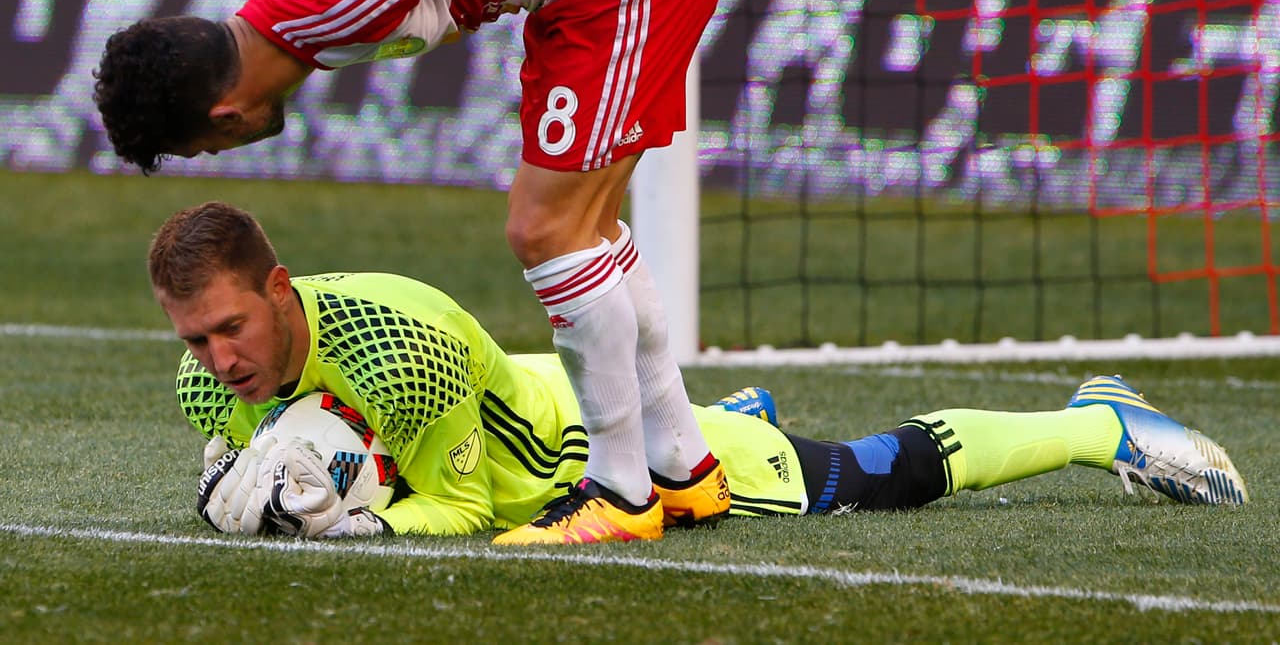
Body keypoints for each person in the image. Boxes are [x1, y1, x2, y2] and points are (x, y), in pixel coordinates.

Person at [95, 0, 735, 544]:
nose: (226, 151)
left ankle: (619, 490)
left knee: (546, 230)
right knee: (589, 228)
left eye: (207, 147)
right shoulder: (289, 1)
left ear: (223, 115)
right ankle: (680, 466)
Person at [150, 202, 1248, 543]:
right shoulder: (209, 378)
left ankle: (1095, 423)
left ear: (280, 287)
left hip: (592, 454)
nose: (217, 360)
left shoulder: (405, 337)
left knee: (869, 475)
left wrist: (364, 529)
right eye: (195, 340)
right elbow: (238, 475)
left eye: (230, 329)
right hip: (577, 453)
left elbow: (465, 507)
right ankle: (730, 418)